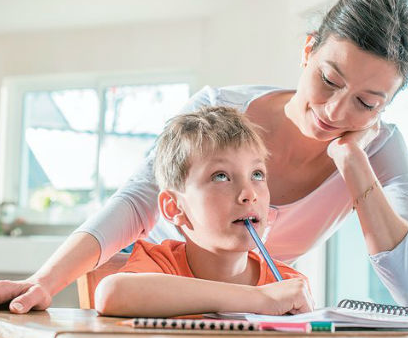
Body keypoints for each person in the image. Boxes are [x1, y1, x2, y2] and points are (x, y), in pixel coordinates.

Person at [0, 0, 408, 338]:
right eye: (330, 80)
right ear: (308, 50)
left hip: (245, 324)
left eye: (367, 102)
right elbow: (137, 202)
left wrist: (354, 163)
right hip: (157, 306)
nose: (337, 112)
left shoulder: (378, 151)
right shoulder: (220, 110)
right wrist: (42, 282)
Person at [95, 106, 312, 317]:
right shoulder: (160, 265)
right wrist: (258, 299)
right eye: (221, 176)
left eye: (257, 174)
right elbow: (112, 293)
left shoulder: (287, 284)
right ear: (174, 207)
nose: (249, 193)